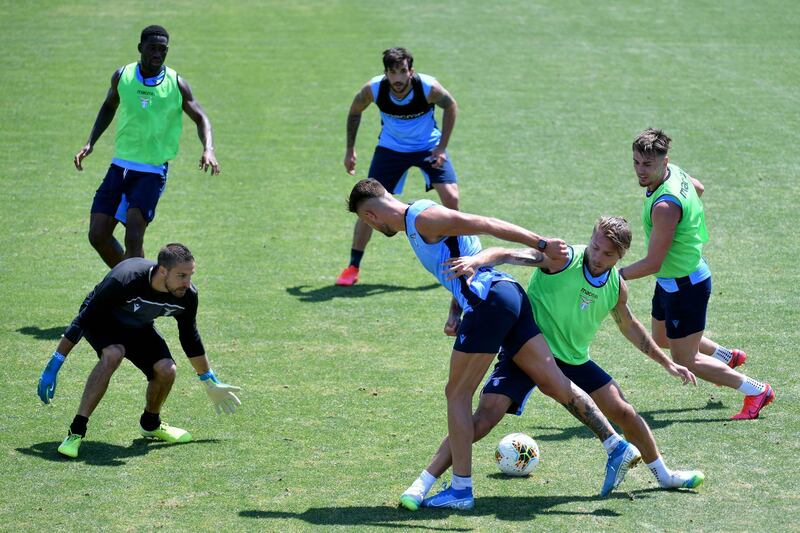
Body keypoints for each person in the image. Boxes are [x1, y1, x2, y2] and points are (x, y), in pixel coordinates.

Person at [348, 179, 642, 510]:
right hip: (507, 296)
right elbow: (464, 257)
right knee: (556, 383)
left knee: (456, 394)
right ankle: (615, 444)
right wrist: (455, 308)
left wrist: (540, 243)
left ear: (372, 217)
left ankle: (460, 489)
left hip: (489, 303)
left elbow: (485, 224)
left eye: (365, 222)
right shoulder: (419, 221)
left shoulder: (422, 218)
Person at [401, 216, 704, 506]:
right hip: (527, 348)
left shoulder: (615, 286)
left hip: (572, 358)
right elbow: (508, 253)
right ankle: (423, 483)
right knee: (484, 417)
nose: (597, 256)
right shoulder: (563, 259)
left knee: (624, 411)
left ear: (620, 256)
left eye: (608, 254)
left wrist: (666, 362)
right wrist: (478, 260)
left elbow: (629, 326)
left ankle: (664, 475)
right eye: (595, 246)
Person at [619, 128, 774, 420]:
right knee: (661, 336)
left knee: (684, 359)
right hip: (672, 280)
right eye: (637, 162)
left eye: (647, 164)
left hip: (685, 287)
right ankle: (727, 357)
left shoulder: (665, 206)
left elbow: (653, 262)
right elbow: (698, 188)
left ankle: (757, 391)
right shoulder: (674, 173)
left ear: (664, 161)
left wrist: (617, 275)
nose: (640, 170)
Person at [36, 243, 241, 459]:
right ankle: (76, 431)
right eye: (181, 275)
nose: (187, 283)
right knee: (113, 354)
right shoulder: (125, 279)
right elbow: (83, 321)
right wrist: (54, 364)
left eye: (190, 275)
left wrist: (208, 380)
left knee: (167, 370)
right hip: (102, 321)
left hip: (137, 326)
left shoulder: (186, 295)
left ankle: (150, 424)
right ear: (163, 271)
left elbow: (189, 337)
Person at [75, 25, 220, 268]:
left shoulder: (176, 83)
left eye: (162, 50)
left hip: (151, 171)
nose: (157, 54)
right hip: (119, 166)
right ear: (140, 48)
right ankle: (133, 281)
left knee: (133, 237)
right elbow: (109, 105)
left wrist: (209, 149)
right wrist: (91, 142)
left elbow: (201, 118)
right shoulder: (122, 76)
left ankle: (133, 289)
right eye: (152, 48)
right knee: (97, 234)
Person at [337, 47, 459, 286]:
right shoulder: (373, 89)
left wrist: (442, 147)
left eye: (403, 72)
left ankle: (458, 256)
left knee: (452, 197)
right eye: (393, 73)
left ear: (411, 71)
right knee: (366, 205)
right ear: (386, 73)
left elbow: (451, 106)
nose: (398, 79)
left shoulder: (428, 88)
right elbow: (354, 111)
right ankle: (353, 266)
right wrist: (350, 149)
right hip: (391, 149)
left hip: (427, 146)